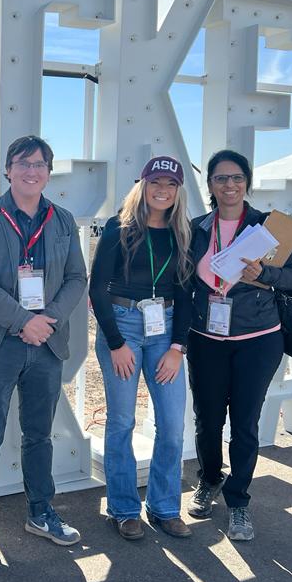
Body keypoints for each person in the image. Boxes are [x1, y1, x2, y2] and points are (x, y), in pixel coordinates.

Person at [0, 135, 88, 566]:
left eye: (40, 164)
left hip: (46, 344)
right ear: (8, 169)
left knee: (39, 435)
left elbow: (76, 279)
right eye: (23, 163)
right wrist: (22, 321)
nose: (32, 171)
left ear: (49, 172)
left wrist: (46, 319)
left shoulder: (63, 220)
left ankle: (40, 511)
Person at [186, 149, 292, 541]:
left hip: (258, 340)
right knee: (207, 420)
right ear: (211, 186)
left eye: (236, 178)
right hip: (206, 340)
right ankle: (209, 480)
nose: (229, 185)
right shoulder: (197, 228)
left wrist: (264, 272)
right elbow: (183, 281)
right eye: (221, 178)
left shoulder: (269, 227)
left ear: (247, 183)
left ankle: (238, 501)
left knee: (245, 424)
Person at [90, 156, 195, 540]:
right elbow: (97, 288)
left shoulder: (183, 232)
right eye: (156, 182)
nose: (162, 190)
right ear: (143, 185)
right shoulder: (119, 228)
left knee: (171, 425)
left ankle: (165, 507)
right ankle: (123, 508)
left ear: (178, 190)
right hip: (123, 326)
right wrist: (116, 343)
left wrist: (178, 347)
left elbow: (186, 292)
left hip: (165, 331)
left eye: (170, 184)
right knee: (121, 421)